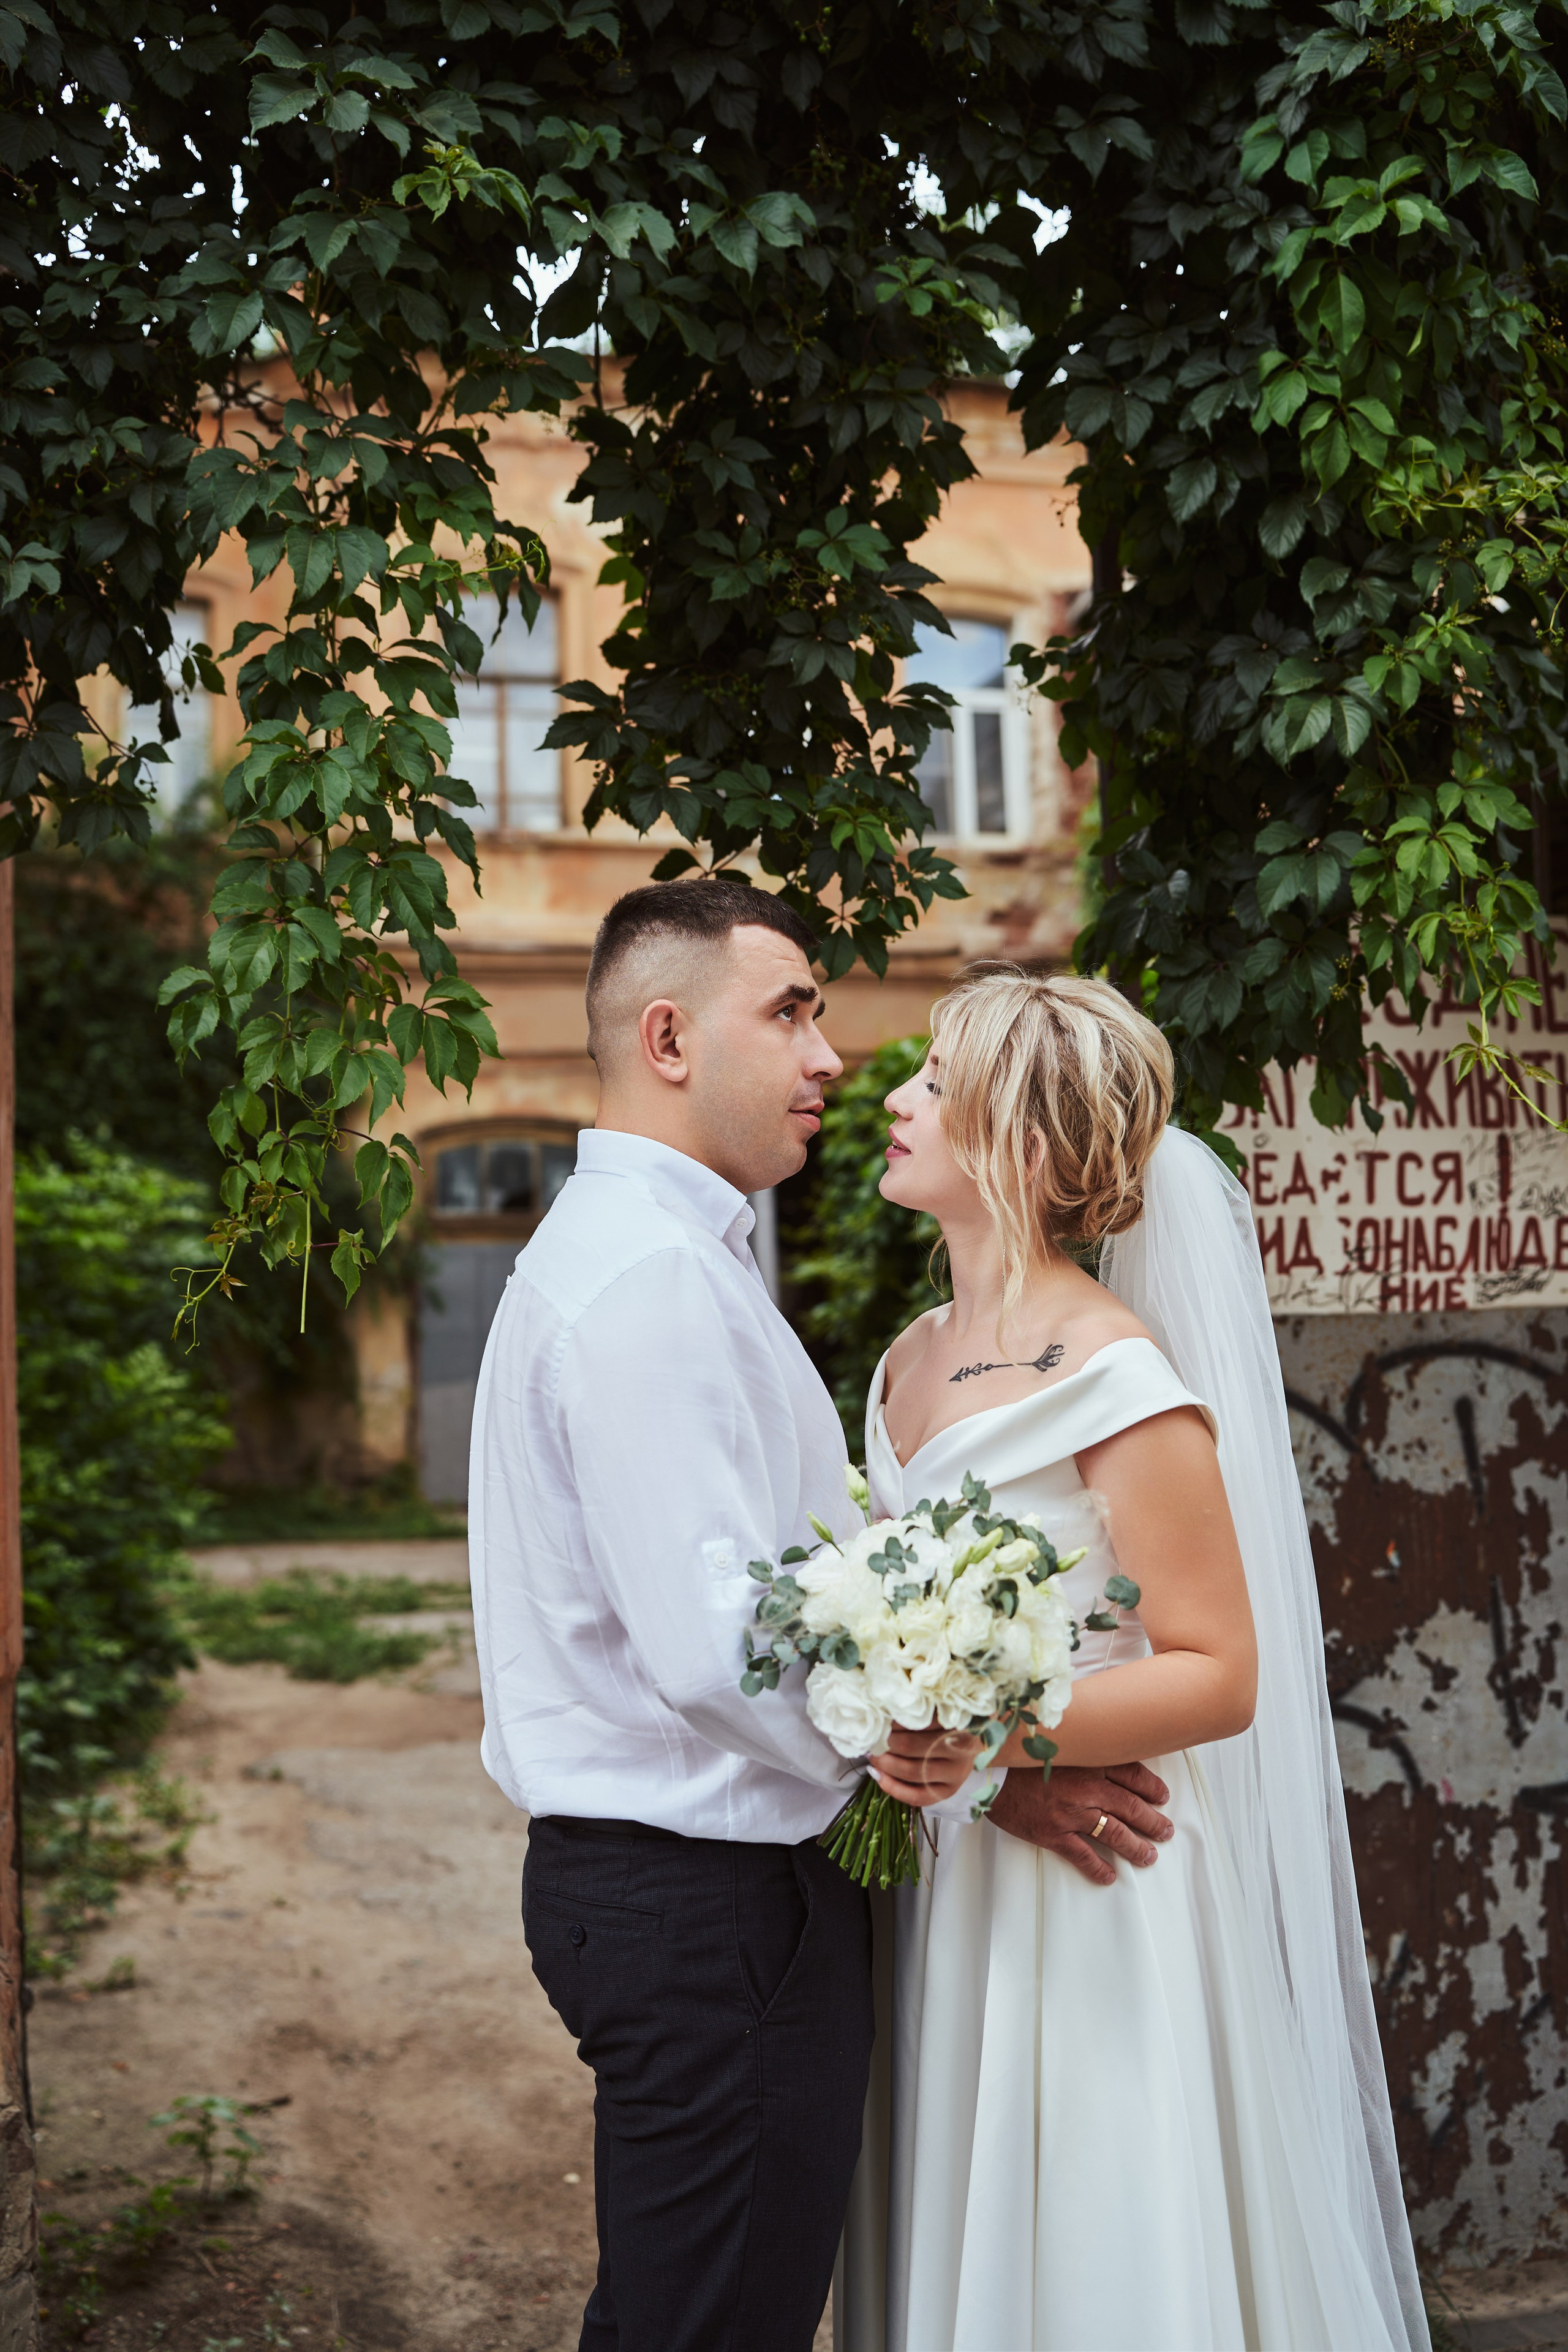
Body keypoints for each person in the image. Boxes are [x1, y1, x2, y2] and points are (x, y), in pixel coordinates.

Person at [469, 880, 1178, 2352]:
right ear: (668, 1036)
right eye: (788, 1010)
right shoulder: (651, 1282)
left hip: (694, 1895)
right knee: (709, 2323)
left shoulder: (665, 1255)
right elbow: (725, 1651)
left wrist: (978, 1775)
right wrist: (986, 1769)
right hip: (706, 1910)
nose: (831, 1057)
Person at [837, 962, 1430, 2352]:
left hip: (1093, 1890)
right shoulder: (905, 1359)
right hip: (945, 1868)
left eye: (936, 1082)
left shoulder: (1119, 1377)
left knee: (1090, 2243)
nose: (898, 1099)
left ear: (1023, 1150)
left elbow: (1219, 1671)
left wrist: (990, 1739)